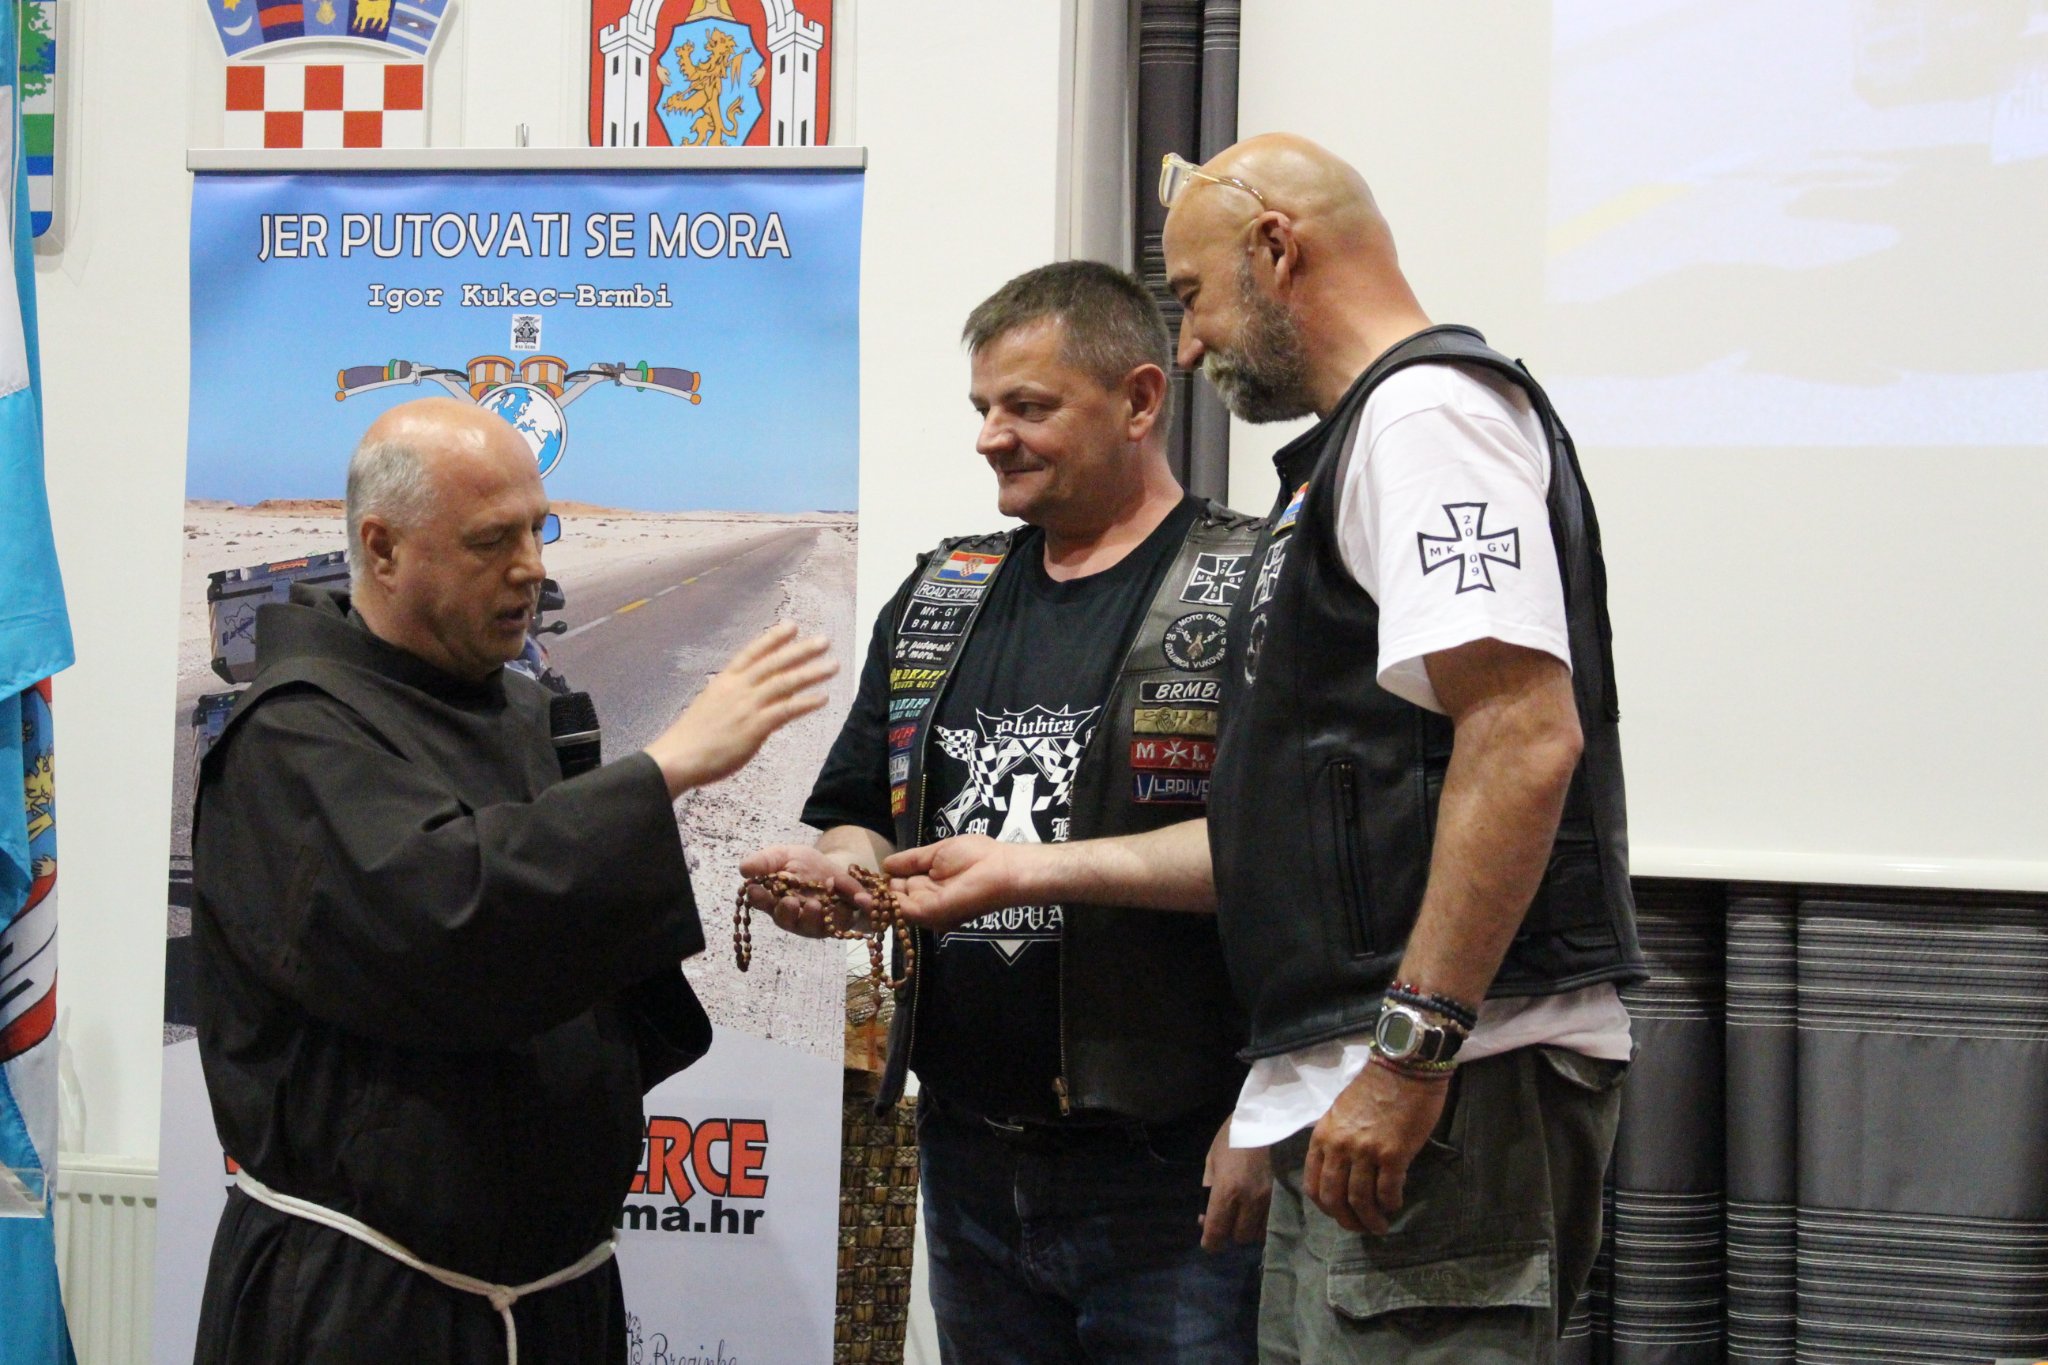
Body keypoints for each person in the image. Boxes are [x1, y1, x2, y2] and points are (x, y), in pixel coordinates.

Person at [885, 134, 1646, 1362]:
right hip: (1356, 1075)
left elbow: (1520, 735)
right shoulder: (1355, 448)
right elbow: (1285, 825)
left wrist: (1408, 1056)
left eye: (1191, 296)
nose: (1187, 344)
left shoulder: (1426, 418)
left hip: (1442, 1081)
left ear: (1276, 249)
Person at [189, 397, 835, 1364]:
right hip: (365, 1310)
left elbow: (563, 944)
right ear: (384, 548)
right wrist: (661, 772)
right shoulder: (291, 735)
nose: (532, 565)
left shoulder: (519, 711)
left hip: (553, 1294)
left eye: (539, 529)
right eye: (493, 540)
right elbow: (448, 927)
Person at [740, 261, 1268, 1363]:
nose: (990, 437)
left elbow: (1284, 861)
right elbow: (859, 809)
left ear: (1138, 400)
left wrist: (1035, 869)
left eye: (1026, 406)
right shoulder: (943, 592)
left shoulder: (1253, 585)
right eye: (983, 406)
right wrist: (844, 873)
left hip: (1175, 1177)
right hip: (968, 1157)